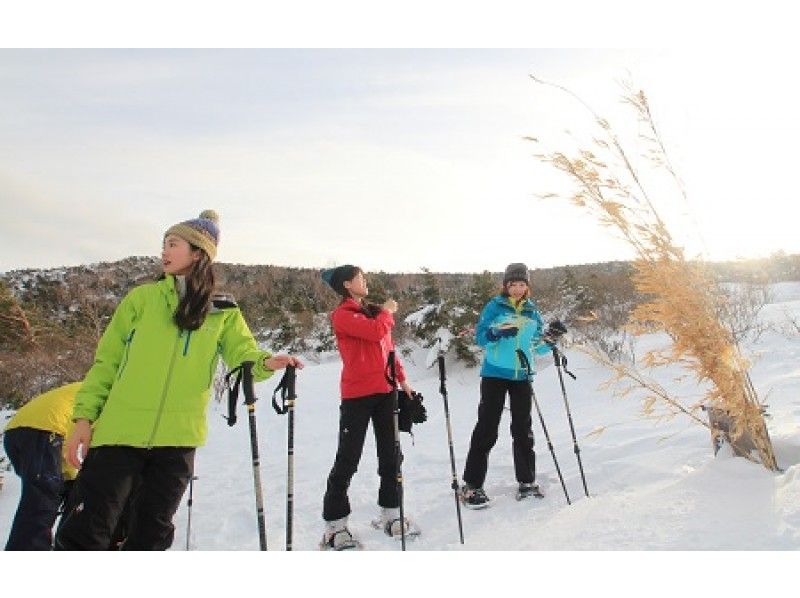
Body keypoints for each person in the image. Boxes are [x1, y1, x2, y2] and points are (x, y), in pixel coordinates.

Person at [55, 210, 303, 550]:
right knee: (89, 530)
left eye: (173, 244)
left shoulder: (222, 312)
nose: (164, 252)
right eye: (164, 244)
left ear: (198, 252)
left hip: (177, 442)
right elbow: (106, 363)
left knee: (151, 535)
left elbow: (242, 354)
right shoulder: (142, 300)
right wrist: (83, 419)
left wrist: (266, 363)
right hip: (118, 436)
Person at [319, 265, 416, 549]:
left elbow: (388, 348)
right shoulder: (343, 315)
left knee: (391, 455)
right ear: (348, 284)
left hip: (386, 392)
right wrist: (387, 312)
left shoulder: (374, 313)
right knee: (348, 458)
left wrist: (402, 380)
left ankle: (391, 512)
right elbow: (375, 333)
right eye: (361, 278)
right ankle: (335, 525)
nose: (366, 281)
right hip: (357, 396)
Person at [461, 263, 565, 508]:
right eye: (513, 284)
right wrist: (496, 333)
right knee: (487, 428)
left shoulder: (532, 311)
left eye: (521, 284)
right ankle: (472, 486)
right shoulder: (494, 307)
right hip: (495, 374)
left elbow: (536, 346)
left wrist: (551, 339)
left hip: (522, 375)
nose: (517, 289)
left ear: (527, 286)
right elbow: (480, 337)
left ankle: (527, 482)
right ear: (506, 285)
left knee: (523, 429)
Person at [3, 382, 81, 550]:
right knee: (43, 498)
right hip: (44, 428)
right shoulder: (114, 394)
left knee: (66, 492)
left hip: (19, 432)